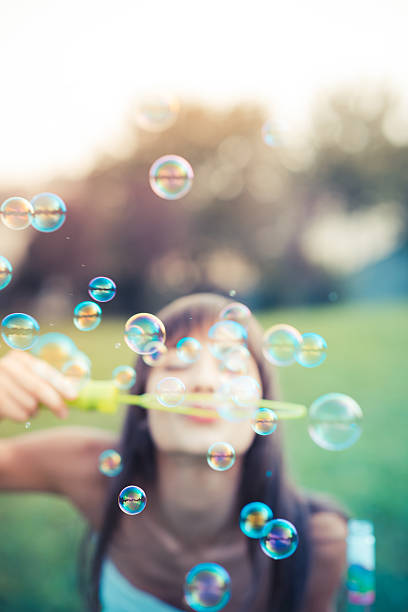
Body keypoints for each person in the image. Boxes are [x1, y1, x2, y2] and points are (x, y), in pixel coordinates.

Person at [0, 293, 347, 612]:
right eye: (177, 365)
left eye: (230, 365)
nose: (204, 382)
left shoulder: (318, 543)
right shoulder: (90, 468)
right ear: (144, 401)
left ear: (262, 406)